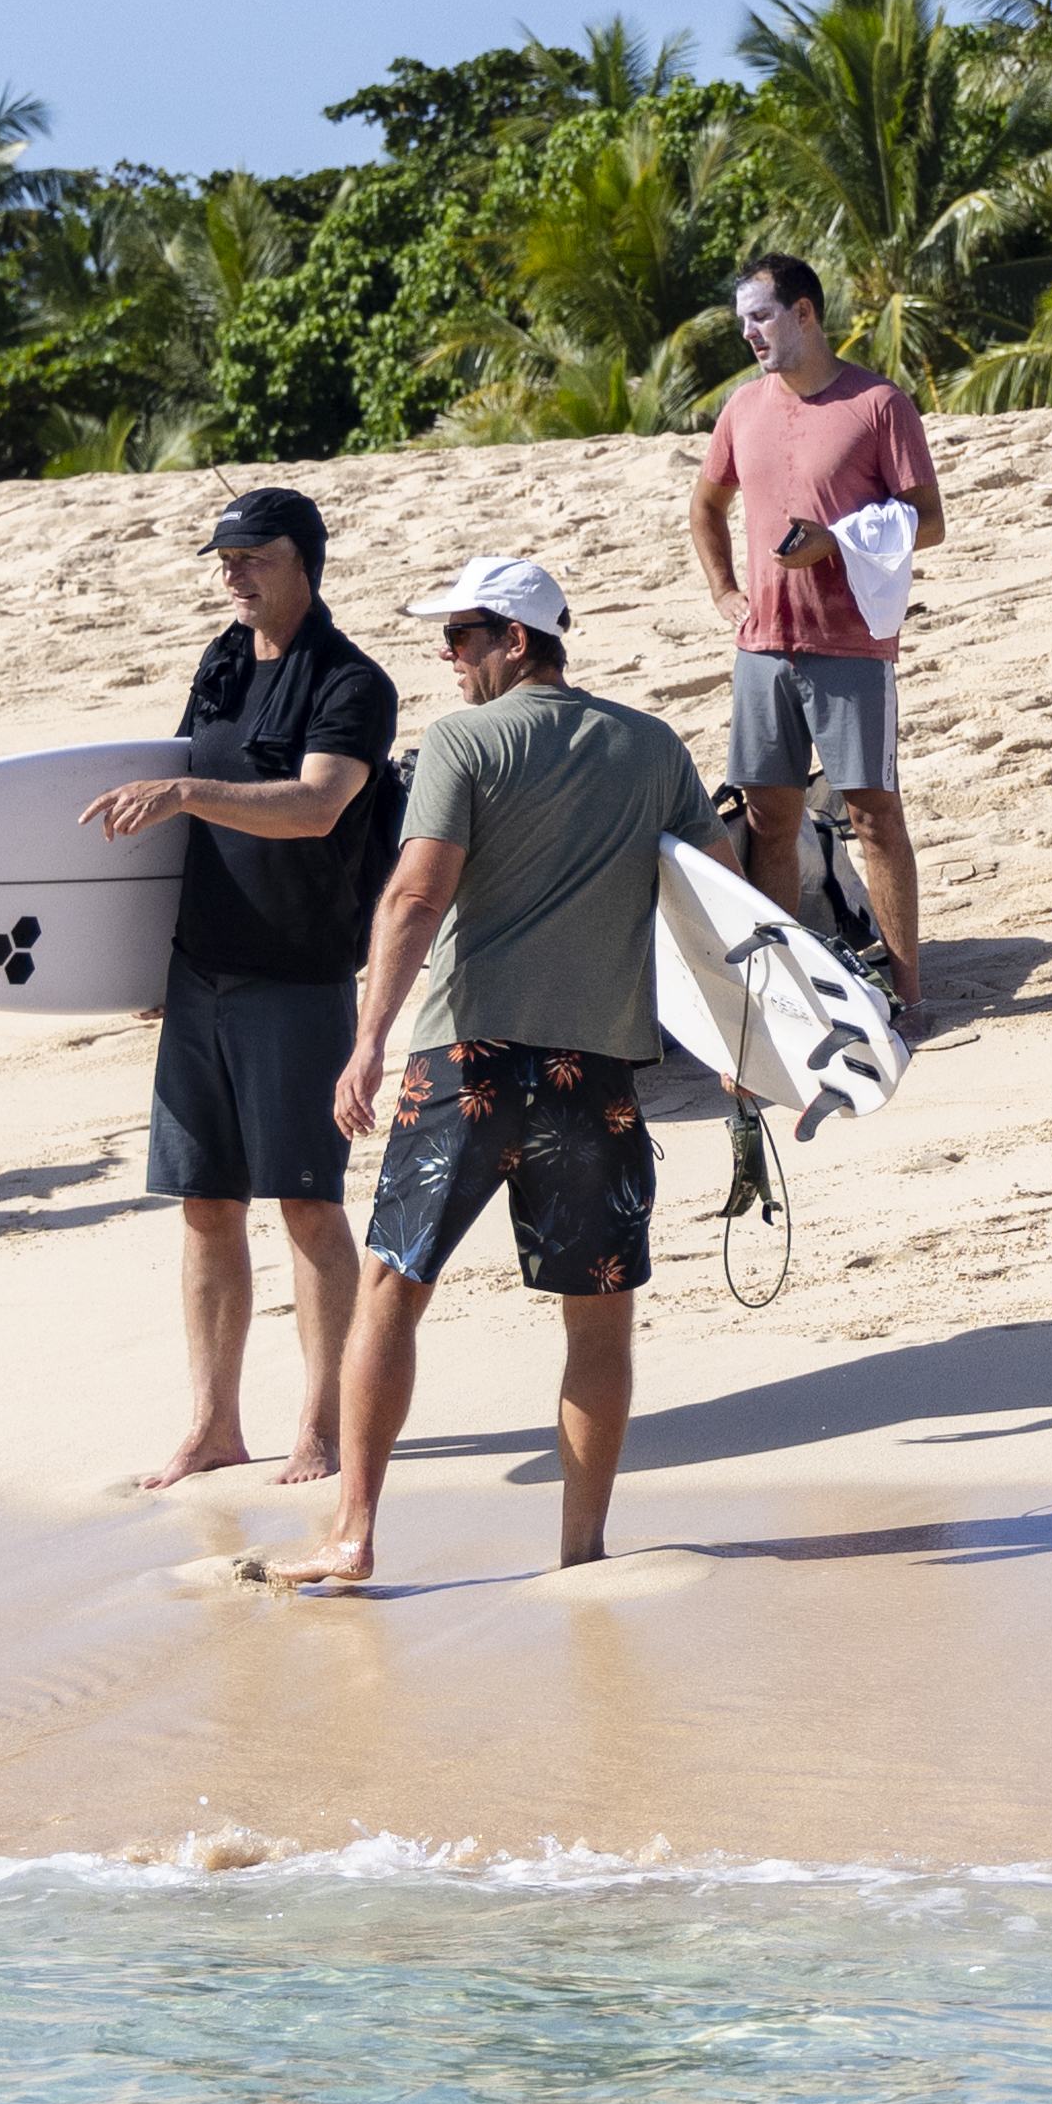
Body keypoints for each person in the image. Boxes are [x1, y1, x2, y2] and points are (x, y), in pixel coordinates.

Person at [271, 559, 719, 1591]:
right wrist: (744, 1054)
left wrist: (368, 1037)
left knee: (389, 1286)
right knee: (597, 1312)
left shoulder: (464, 742)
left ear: (516, 640)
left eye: (465, 635)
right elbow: (720, 909)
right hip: (595, 1070)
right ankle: (581, 1549)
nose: (449, 654)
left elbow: (414, 898)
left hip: (464, 1059)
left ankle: (352, 1535)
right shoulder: (652, 746)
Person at [85, 487, 400, 1497]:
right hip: (199, 975)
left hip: (297, 976)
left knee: (306, 1203)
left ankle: (323, 1426)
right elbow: (175, 827)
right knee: (206, 1204)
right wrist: (143, 961)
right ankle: (214, 1425)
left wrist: (184, 791)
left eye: (250, 558)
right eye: (222, 561)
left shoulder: (350, 683)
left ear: (302, 561)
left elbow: (315, 807)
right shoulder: (220, 665)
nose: (232, 575)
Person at [685, 252, 943, 1013]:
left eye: (761, 316)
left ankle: (909, 995)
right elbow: (706, 507)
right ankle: (783, 998)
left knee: (873, 814)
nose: (750, 334)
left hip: (851, 645)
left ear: (805, 313)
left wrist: (833, 540)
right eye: (742, 322)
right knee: (769, 817)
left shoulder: (879, 404)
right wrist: (724, 590)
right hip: (761, 648)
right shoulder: (742, 407)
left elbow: (928, 521)